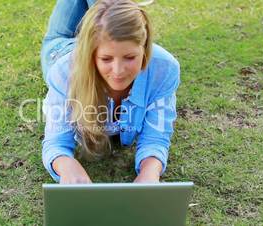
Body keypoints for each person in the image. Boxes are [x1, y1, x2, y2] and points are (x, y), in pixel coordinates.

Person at [40, 0, 180, 184]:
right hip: (60, 49)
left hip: (98, 36)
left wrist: (150, 171)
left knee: (109, 16)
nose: (118, 71)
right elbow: (56, 141)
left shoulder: (164, 68)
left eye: (129, 57)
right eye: (106, 59)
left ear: (144, 49)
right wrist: (67, 165)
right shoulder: (64, 72)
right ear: (91, 56)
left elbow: (156, 137)